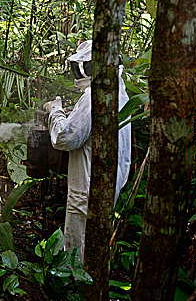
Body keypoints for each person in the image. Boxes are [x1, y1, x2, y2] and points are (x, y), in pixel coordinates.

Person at [43, 40, 131, 261]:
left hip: (88, 185)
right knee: (96, 243)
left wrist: (55, 111)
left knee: (78, 247)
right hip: (109, 183)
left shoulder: (95, 96)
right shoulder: (120, 92)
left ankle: (75, 288)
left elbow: (66, 138)